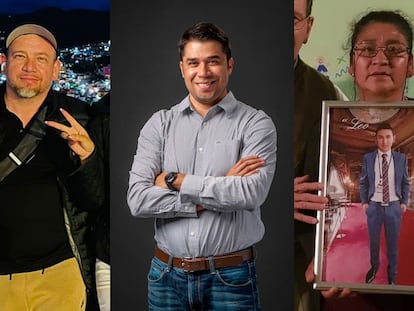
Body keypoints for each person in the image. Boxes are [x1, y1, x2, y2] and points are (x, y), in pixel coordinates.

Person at [127, 22, 276, 310]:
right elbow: (137, 201)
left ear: (229, 65)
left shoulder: (256, 123)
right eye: (193, 63)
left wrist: (174, 179)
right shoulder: (159, 124)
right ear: (182, 68)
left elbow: (251, 193)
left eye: (213, 61)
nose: (203, 72)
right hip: (165, 277)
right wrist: (213, 194)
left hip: (230, 278)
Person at [0, 24, 100, 310]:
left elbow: (94, 202)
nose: (30, 66)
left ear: (56, 69)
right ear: (4, 62)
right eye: (20, 56)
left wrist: (87, 159)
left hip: (59, 274)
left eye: (41, 59)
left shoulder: (80, 116)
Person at [321, 9, 414, 311]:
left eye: (395, 50)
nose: (380, 59)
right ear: (351, 65)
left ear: (410, 64)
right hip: (344, 286)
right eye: (367, 49)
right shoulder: (325, 128)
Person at [294, 0, 350, 310]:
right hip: (222, 252)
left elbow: (343, 186)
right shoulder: (214, 77)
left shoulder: (328, 94)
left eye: (291, 18)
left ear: (308, 28)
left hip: (296, 259)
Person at [360, 123, 409, 285]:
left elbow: (405, 183)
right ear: (376, 140)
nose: (384, 141)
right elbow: (364, 182)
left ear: (393, 138)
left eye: (388, 137)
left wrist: (404, 202)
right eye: (380, 137)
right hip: (374, 206)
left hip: (394, 206)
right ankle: (374, 268)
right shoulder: (368, 158)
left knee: (392, 244)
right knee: (374, 242)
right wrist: (364, 203)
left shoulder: (401, 159)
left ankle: (392, 275)